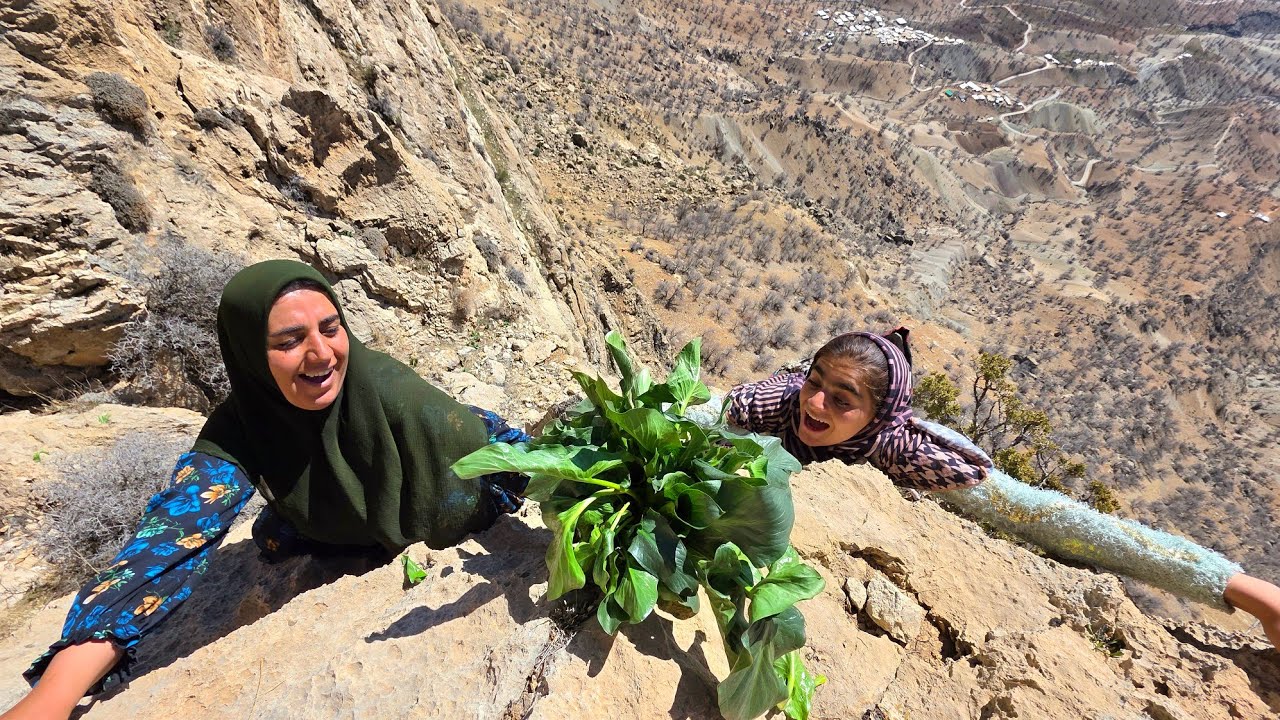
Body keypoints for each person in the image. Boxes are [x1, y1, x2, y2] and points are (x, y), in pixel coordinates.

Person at [2, 260, 529, 720]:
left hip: (456, 503)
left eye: (331, 328)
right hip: (339, 529)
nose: (322, 355)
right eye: (289, 341)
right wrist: (54, 696)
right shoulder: (243, 426)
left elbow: (511, 456)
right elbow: (166, 544)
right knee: (273, 537)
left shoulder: (400, 398)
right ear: (251, 355)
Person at [722, 330, 1280, 648]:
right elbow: (702, 418)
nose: (815, 404)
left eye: (841, 398)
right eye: (815, 383)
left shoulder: (909, 452)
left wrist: (1241, 591)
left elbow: (1048, 518)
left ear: (878, 414)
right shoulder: (778, 402)